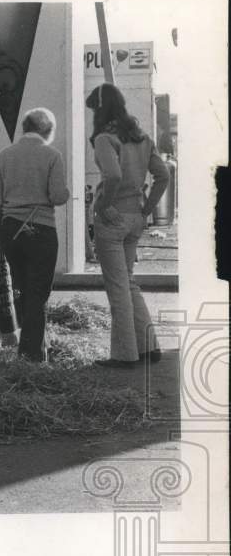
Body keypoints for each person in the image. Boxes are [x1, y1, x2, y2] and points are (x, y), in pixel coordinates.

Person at [85, 83, 169, 368]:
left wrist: (102, 205)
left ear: (99, 109)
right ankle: (149, 347)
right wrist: (147, 208)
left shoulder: (104, 139)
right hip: (135, 215)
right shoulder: (142, 137)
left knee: (117, 288)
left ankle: (124, 355)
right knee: (130, 283)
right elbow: (163, 176)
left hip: (113, 218)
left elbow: (112, 175)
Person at [0, 107, 69, 363]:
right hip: (41, 230)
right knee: (38, 293)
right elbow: (57, 197)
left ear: (24, 128)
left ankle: (33, 345)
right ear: (48, 130)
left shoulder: (4, 157)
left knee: (22, 290)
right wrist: (65, 193)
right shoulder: (52, 155)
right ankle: (31, 356)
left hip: (10, 229)